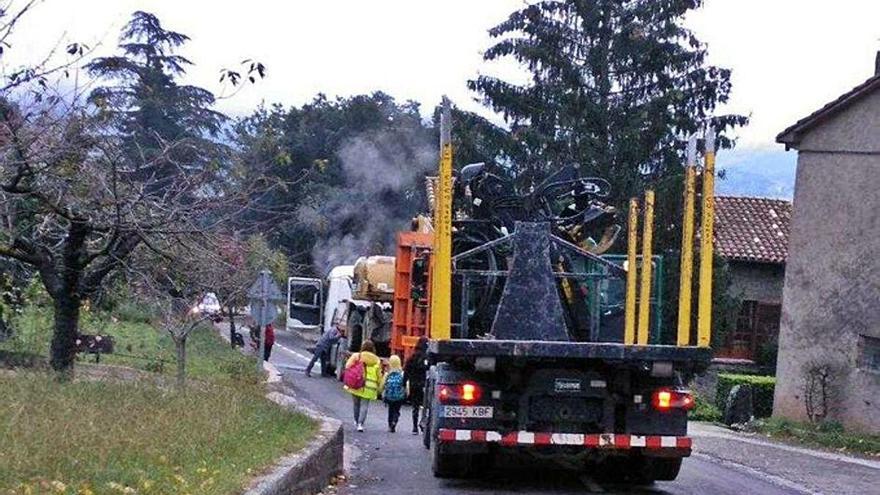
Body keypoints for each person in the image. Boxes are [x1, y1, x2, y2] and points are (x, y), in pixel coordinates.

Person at [343, 340, 383, 432]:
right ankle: (361, 424)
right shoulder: (376, 360)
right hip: (370, 386)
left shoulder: (357, 356)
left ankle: (356, 421)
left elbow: (347, 366)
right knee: (365, 406)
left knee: (356, 404)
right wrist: (380, 386)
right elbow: (379, 375)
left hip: (357, 384)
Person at [403, 336, 429, 435]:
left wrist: (404, 383)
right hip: (424, 385)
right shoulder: (427, 358)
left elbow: (406, 372)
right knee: (426, 406)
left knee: (415, 406)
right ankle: (423, 423)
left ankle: (414, 427)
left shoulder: (411, 357)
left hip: (413, 384)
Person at [381, 355, 406, 432]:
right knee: (397, 410)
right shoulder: (402, 374)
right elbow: (406, 385)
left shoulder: (388, 374)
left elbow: (382, 385)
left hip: (389, 396)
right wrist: (406, 393)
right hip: (399, 396)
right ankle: (395, 421)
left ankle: (390, 424)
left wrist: (382, 392)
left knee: (390, 410)